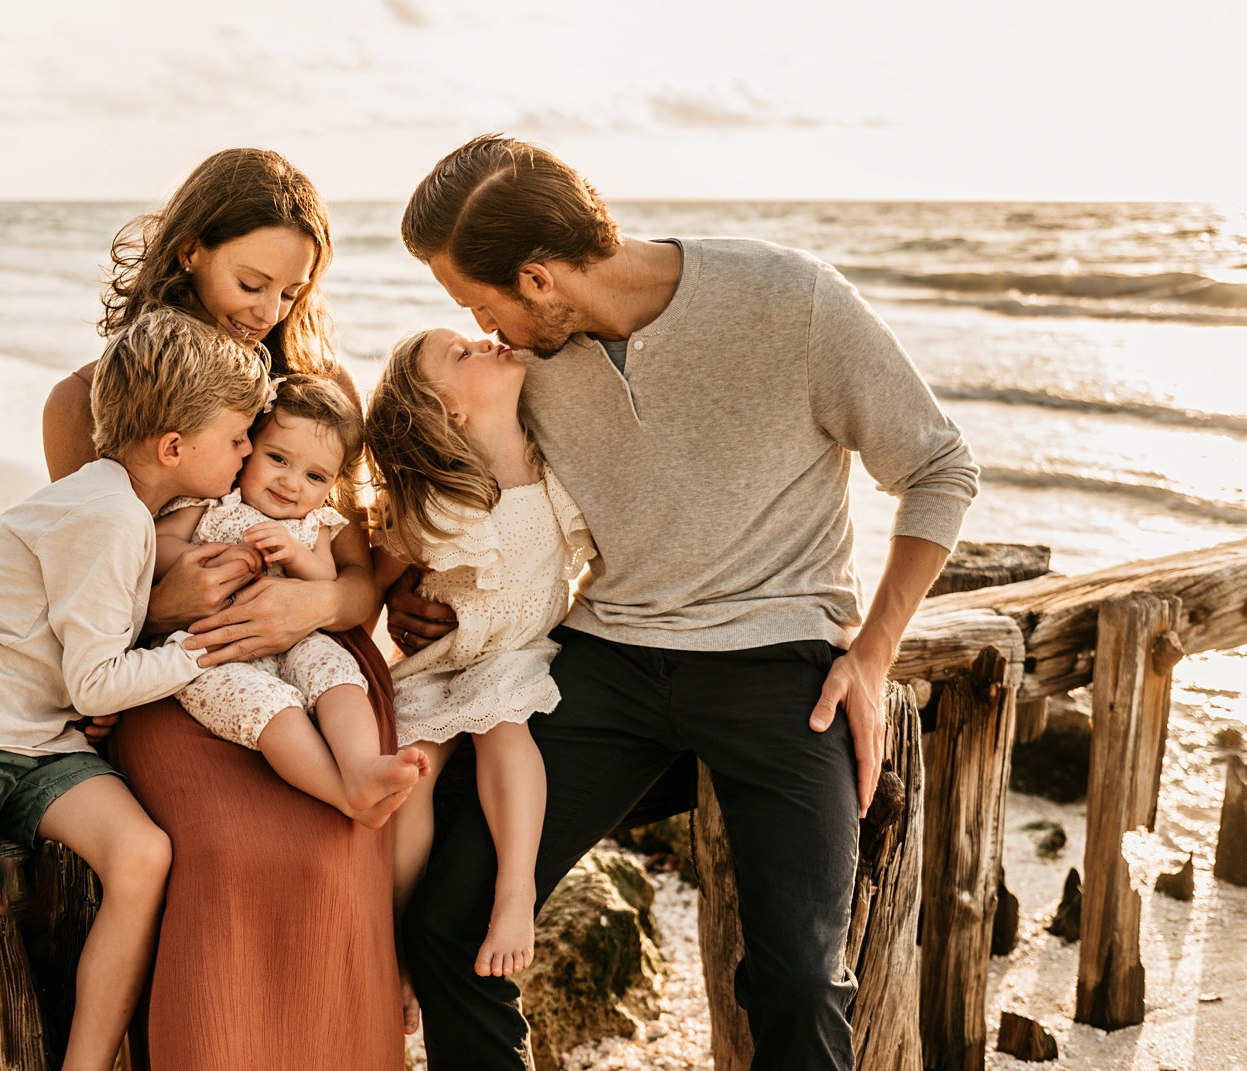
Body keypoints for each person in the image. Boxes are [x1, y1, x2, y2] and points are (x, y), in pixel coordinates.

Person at [387, 134, 980, 1070]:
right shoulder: (521, 366)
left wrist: (872, 652)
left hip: (781, 661)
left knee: (794, 976)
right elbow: (468, 495)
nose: (481, 329)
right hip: (607, 655)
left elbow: (939, 466)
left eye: (478, 302)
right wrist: (419, 595)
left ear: (539, 278)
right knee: (449, 922)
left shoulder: (792, 300)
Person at [42, 148, 405, 1071]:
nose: (267, 310)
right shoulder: (86, 403)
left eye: (289, 293)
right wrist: (171, 602)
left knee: (335, 843)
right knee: (236, 851)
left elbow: (362, 582)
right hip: (178, 674)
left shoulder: (311, 396)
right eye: (252, 280)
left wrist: (310, 604)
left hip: (315, 658)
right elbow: (92, 591)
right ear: (192, 249)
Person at [0, 307, 267, 1071]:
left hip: (37, 739)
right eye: (239, 436)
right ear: (175, 446)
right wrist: (199, 650)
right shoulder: (110, 514)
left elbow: (82, 681)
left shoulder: (130, 507)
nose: (249, 450)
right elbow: (97, 684)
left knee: (142, 853)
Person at [363, 327, 594, 1026]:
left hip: (516, 655)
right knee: (411, 775)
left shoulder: (557, 468)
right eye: (462, 354)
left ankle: (516, 893)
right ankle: (397, 940)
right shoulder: (439, 502)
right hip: (441, 665)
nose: (486, 339)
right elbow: (366, 588)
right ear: (450, 415)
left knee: (502, 723)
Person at [155, 373, 429, 825]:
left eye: (314, 475)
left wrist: (297, 554)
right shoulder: (212, 503)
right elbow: (159, 545)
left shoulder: (315, 525)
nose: (291, 482)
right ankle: (342, 793)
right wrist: (204, 556)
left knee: (337, 674)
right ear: (246, 449)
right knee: (270, 708)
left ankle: (361, 765)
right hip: (216, 654)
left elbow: (328, 578)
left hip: (299, 638)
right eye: (278, 458)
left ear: (333, 484)